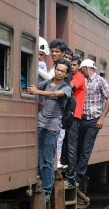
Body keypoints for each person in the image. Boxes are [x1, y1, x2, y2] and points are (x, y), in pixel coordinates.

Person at [27, 59, 72, 202]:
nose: (59, 72)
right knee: (39, 157)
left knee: (48, 159)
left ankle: (47, 191)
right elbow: (32, 89)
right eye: (57, 69)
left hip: (52, 127)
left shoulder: (66, 88)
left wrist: (37, 91)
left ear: (66, 74)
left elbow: (55, 94)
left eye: (62, 71)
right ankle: (44, 186)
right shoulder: (46, 83)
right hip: (40, 124)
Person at [75, 59, 109, 185]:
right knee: (78, 147)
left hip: (93, 121)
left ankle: (78, 176)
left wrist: (102, 118)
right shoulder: (83, 80)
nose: (80, 71)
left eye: (81, 69)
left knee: (86, 149)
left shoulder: (100, 80)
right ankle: (76, 172)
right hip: (82, 119)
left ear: (86, 68)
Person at [64, 56, 86, 188]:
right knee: (66, 145)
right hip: (67, 115)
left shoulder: (79, 77)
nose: (71, 67)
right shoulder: (72, 76)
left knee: (72, 146)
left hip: (75, 115)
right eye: (70, 65)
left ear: (79, 66)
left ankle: (71, 177)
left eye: (73, 65)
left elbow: (69, 87)